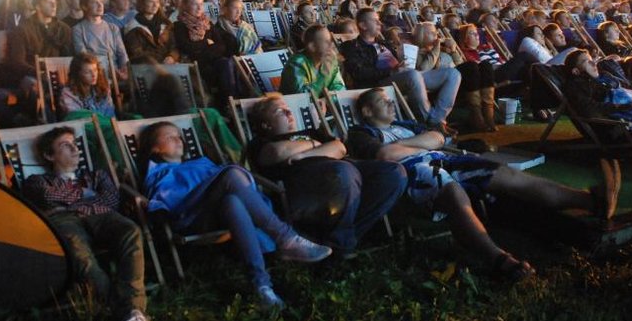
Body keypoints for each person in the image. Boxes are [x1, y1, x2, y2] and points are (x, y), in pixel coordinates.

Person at [347, 87, 621, 280]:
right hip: (413, 171)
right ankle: (498, 259)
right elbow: (385, 155)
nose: (392, 104)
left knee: (508, 176)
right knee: (454, 194)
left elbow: (439, 138)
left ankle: (591, 201)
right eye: (384, 102)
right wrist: (417, 144)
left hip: (444, 158)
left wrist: (404, 143)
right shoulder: (361, 133)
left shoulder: (406, 124)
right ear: (368, 110)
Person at [137, 121, 332, 309]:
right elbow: (165, 202)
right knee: (231, 174)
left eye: (179, 135)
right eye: (170, 136)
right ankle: (286, 238)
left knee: (233, 202)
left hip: (216, 213)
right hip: (190, 217)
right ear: (155, 149)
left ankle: (262, 286)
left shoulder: (201, 162)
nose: (178, 139)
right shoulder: (157, 173)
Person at [247, 94, 406, 254]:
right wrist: (316, 146)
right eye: (280, 111)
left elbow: (339, 148)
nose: (289, 114)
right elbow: (278, 152)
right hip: (305, 186)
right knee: (343, 172)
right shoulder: (261, 143)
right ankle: (340, 247)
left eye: (289, 110)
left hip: (344, 172)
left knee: (394, 172)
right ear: (266, 125)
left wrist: (305, 153)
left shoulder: (313, 132)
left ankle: (338, 241)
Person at [23, 126, 148, 321]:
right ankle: (128, 312)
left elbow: (112, 200)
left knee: (130, 230)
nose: (75, 149)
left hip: (100, 216)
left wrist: (73, 203)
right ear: (49, 155)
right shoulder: (37, 180)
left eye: (75, 144)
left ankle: (129, 310)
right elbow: (46, 196)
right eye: (66, 145)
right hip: (64, 219)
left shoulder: (96, 175)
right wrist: (86, 195)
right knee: (78, 251)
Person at [340, 8, 461, 127]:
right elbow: (358, 73)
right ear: (363, 25)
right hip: (380, 82)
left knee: (452, 74)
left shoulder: (384, 43)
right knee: (413, 75)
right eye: (374, 20)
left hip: (405, 75)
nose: (379, 23)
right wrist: (391, 71)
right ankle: (431, 124)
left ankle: (436, 118)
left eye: (379, 20)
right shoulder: (351, 46)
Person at [172, 0, 238, 105]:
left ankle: (229, 103)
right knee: (224, 66)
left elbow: (221, 46)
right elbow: (188, 48)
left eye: (201, 4)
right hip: (194, 64)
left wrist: (204, 47)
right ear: (186, 6)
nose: (199, 7)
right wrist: (208, 44)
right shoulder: (179, 26)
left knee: (228, 63)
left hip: (211, 61)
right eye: (194, 4)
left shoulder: (207, 23)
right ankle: (229, 104)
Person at [72, 0, 129, 82]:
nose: (100, 5)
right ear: (84, 7)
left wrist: (125, 69)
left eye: (101, 2)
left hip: (116, 71)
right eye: (94, 2)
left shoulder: (112, 27)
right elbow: (83, 56)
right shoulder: (78, 29)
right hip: (94, 72)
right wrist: (104, 69)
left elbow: (122, 53)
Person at [279, 24, 346, 97]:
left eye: (331, 41)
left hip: (323, 106)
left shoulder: (330, 61)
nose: (332, 45)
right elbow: (303, 98)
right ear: (312, 47)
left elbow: (340, 89)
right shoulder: (297, 63)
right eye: (327, 42)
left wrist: (325, 101)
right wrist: (323, 75)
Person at [123, 0, 179, 64]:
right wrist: (160, 62)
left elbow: (174, 46)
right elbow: (137, 53)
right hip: (146, 68)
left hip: (169, 65)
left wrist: (172, 57)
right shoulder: (133, 27)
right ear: (142, 3)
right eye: (151, 2)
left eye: (157, 2)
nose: (155, 5)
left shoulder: (165, 24)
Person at [60, 53, 116, 119]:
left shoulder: (103, 89)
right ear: (78, 74)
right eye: (87, 72)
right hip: (85, 127)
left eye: (95, 70)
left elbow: (111, 115)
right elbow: (77, 117)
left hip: (107, 126)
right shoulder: (68, 94)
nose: (93, 75)